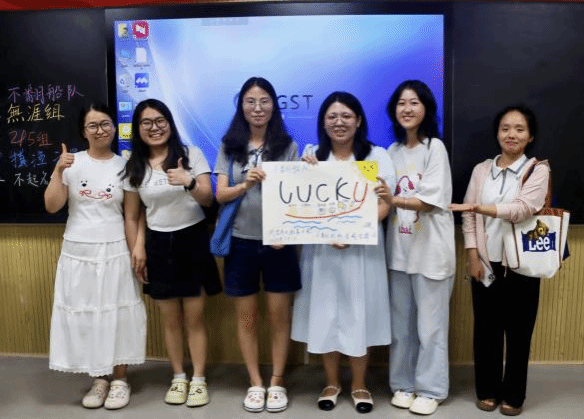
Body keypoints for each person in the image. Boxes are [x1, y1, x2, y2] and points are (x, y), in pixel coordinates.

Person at [291, 91, 395, 414]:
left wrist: (351, 232)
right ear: (323, 122)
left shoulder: (376, 156)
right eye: (332, 116)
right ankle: (331, 383)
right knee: (325, 313)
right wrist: (303, 173)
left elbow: (384, 204)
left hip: (361, 251)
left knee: (358, 313)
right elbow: (300, 202)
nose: (339, 122)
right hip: (322, 252)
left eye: (346, 116)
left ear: (359, 120)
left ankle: (359, 384)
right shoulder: (312, 155)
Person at [449, 105, 549, 416]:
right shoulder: (481, 170)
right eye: (505, 128)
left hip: (523, 265)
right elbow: (467, 216)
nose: (511, 134)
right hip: (486, 261)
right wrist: (472, 254)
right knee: (486, 331)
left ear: (530, 136)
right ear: (497, 133)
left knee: (519, 333)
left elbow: (522, 209)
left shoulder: (538, 170)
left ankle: (514, 396)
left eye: (519, 129)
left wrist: (482, 208)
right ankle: (487, 390)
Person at [45, 103, 146, 410]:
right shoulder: (71, 163)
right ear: (84, 131)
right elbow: (52, 206)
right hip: (78, 251)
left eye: (105, 124)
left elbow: (131, 216)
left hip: (114, 249)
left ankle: (120, 380)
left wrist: (136, 252)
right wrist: (58, 170)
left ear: (114, 127)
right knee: (88, 315)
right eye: (93, 125)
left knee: (117, 315)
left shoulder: (126, 166)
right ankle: (99, 378)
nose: (100, 130)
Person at [121, 98, 220, 408]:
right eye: (146, 122)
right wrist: (137, 247)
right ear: (138, 129)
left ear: (169, 123)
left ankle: (199, 379)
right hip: (157, 245)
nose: (154, 127)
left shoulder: (190, 154)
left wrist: (188, 181)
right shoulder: (134, 166)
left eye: (160, 120)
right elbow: (132, 216)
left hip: (192, 240)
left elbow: (208, 199)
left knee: (194, 318)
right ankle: (178, 377)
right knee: (170, 320)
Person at [214, 77, 301, 413]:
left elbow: (296, 196)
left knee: (280, 317)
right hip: (241, 243)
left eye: (264, 100)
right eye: (250, 101)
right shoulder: (230, 146)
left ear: (274, 105)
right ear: (241, 106)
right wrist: (245, 184)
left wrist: (286, 231)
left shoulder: (287, 145)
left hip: (279, 244)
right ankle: (255, 382)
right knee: (247, 318)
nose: (258, 107)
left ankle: (276, 381)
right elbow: (221, 195)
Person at [374, 80, 455, 415]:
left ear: (426, 109)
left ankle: (431, 389)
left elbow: (430, 200)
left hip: (431, 253)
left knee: (431, 328)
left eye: (414, 102)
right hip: (399, 252)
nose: (407, 109)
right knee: (401, 327)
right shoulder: (390, 152)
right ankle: (403, 384)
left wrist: (394, 200)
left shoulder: (435, 148)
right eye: (401, 103)